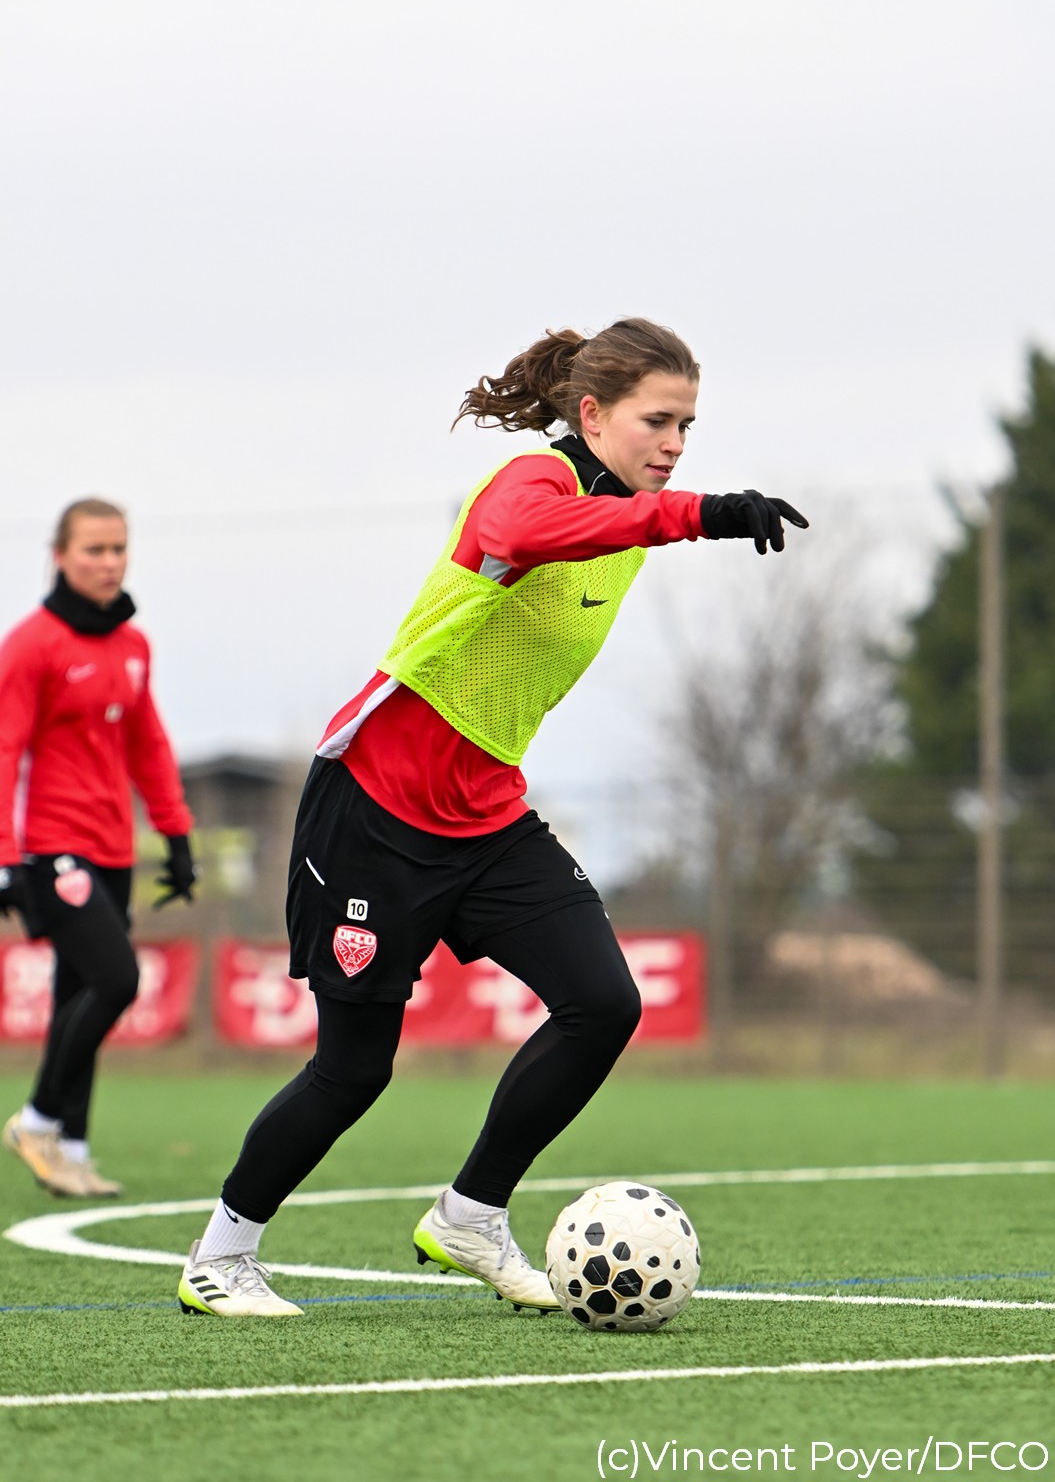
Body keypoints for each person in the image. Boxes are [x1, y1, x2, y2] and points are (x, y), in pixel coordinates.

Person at [176, 317, 807, 1318]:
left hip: (486, 814)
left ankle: (470, 1214)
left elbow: (610, 532)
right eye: (656, 421)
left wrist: (666, 513)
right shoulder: (529, 480)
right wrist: (695, 514)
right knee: (353, 1071)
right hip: (374, 808)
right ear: (590, 415)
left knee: (603, 1003)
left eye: (687, 425)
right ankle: (221, 1256)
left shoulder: (630, 521)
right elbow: (523, 536)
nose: (675, 444)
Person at [0, 498, 196, 1198]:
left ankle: (72, 1150)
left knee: (78, 993)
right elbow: (4, 750)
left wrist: (175, 833)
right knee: (117, 981)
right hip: (52, 846)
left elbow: (148, 743)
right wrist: (4, 857)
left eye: (118, 548)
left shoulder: (132, 645)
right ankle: (36, 1120)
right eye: (93, 549)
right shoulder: (32, 645)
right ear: (60, 556)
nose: (109, 562)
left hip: (114, 847)